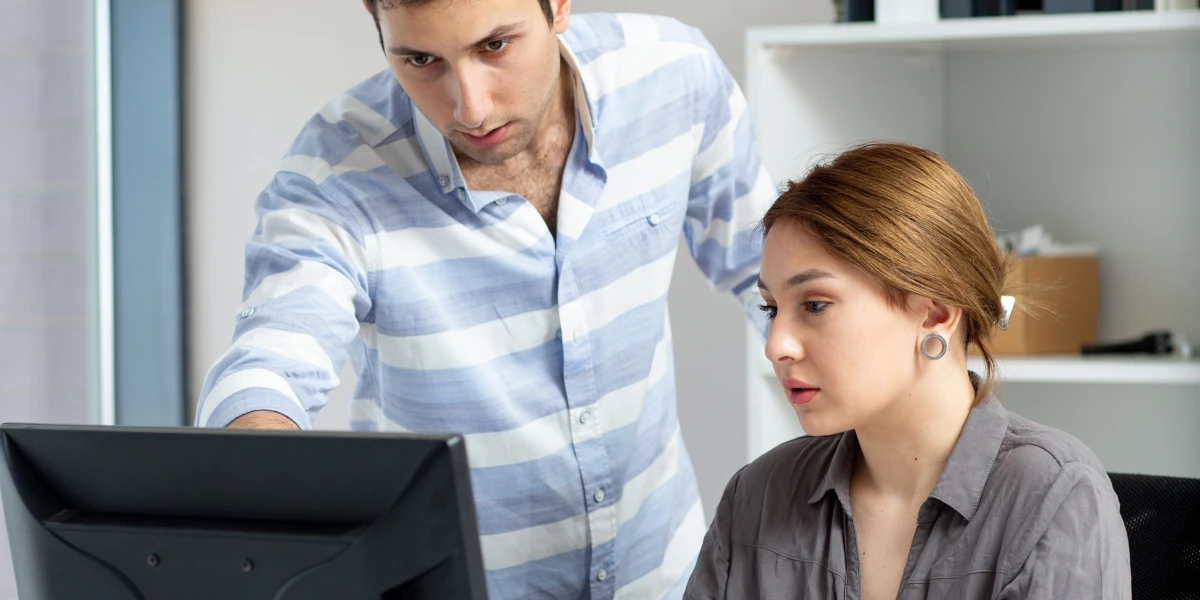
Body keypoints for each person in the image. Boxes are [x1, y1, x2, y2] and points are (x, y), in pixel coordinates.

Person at [193, 0, 775, 597]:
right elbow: (269, 367)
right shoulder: (335, 178)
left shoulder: (673, 75)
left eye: (495, 46)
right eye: (421, 60)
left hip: (666, 579)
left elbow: (768, 270)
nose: (470, 108)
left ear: (559, 6)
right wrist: (261, 492)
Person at [685, 142, 1131, 599]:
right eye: (771, 308)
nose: (776, 345)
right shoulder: (757, 497)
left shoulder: (1053, 498)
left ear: (936, 313)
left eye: (814, 305)